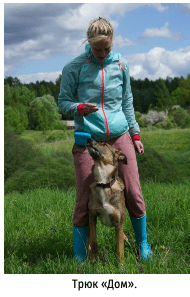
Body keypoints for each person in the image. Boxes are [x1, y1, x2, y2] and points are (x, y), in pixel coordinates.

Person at [58, 17, 153, 262]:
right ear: (88, 44)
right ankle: (80, 255)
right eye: (97, 49)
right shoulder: (74, 67)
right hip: (89, 140)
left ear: (112, 43)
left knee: (132, 189)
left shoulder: (121, 65)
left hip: (119, 135)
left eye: (107, 49)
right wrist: (78, 108)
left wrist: (135, 134)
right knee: (84, 196)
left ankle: (143, 244)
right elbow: (63, 103)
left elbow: (127, 102)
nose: (102, 54)